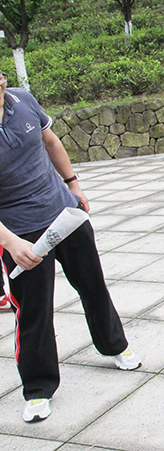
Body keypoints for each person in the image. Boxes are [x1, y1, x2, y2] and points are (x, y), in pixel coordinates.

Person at [0, 73, 141, 423]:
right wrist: (11, 242)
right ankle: (37, 388)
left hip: (64, 213)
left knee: (92, 285)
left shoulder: (22, 100)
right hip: (20, 233)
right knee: (33, 310)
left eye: (1, 78)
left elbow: (50, 142)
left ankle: (114, 346)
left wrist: (73, 185)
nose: (1, 87)